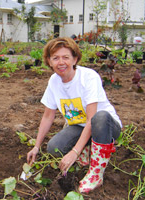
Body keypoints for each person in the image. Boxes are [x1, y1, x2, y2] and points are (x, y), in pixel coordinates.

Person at [26, 37, 122, 193]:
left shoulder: (88, 77)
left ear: (75, 59)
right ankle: (87, 149)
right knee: (54, 148)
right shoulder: (54, 81)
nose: (61, 62)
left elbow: (91, 119)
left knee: (100, 116)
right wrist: (36, 146)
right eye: (55, 58)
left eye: (66, 57)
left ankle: (96, 173)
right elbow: (48, 116)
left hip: (106, 127)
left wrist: (74, 152)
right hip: (80, 126)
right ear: (49, 62)